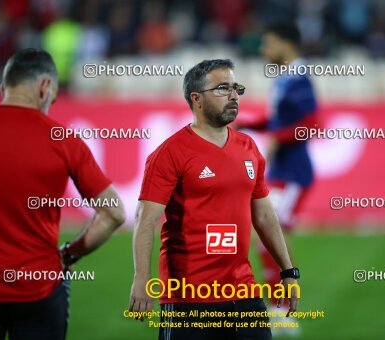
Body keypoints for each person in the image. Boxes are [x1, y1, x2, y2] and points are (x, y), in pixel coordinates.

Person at [128, 59, 300, 340]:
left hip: (243, 292)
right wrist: (141, 279)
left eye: (235, 88)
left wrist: (288, 271)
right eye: (223, 88)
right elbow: (145, 219)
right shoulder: (170, 153)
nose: (234, 96)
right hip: (189, 297)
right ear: (196, 98)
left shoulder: (248, 147)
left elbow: (265, 216)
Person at [0, 49, 125, 340]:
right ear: (45, 88)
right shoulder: (63, 140)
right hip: (38, 291)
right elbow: (114, 213)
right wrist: (69, 254)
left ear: (4, 88)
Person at [239, 23, 317, 319]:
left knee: (272, 238)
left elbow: (312, 125)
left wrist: (274, 139)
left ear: (286, 44)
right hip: (282, 172)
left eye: (268, 43)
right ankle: (280, 306)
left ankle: (283, 310)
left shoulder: (298, 78)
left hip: (293, 173)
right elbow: (279, 120)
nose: (263, 50)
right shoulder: (286, 78)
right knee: (268, 237)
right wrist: (252, 124)